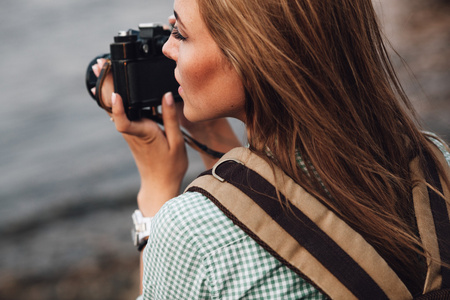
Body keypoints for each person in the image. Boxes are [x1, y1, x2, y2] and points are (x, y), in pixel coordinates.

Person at [91, 0, 450, 298]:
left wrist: (156, 193)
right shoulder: (434, 163)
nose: (167, 50)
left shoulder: (194, 233)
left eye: (181, 34)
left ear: (252, 56)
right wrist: (216, 140)